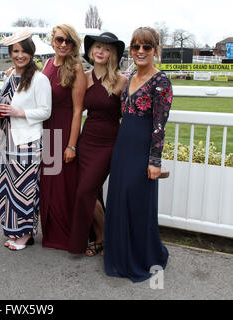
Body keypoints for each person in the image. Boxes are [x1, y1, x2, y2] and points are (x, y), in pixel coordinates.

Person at [104, 27, 172, 282]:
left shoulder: (161, 81)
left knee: (138, 202)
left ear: (155, 50)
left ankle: (143, 256)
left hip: (143, 147)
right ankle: (120, 255)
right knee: (120, 198)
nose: (141, 51)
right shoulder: (128, 76)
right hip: (123, 144)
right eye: (136, 47)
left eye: (146, 47)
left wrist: (155, 161)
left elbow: (159, 125)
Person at [68, 32, 127, 256]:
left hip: (109, 143)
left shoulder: (122, 81)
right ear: (91, 52)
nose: (100, 51)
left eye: (106, 48)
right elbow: (74, 108)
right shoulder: (84, 77)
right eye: (97, 47)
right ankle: (99, 237)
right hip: (87, 141)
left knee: (86, 191)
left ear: (113, 54)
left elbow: (130, 115)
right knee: (91, 193)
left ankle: (103, 238)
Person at [0, 29, 52, 251]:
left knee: (25, 189)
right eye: (15, 51)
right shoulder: (11, 76)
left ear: (31, 53)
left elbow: (45, 111)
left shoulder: (39, 79)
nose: (19, 55)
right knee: (9, 188)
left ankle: (26, 234)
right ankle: (13, 230)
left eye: (24, 51)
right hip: (8, 139)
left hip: (28, 142)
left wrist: (17, 112)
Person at [39, 24, 85, 251]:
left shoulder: (76, 68)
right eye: (60, 39)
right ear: (52, 41)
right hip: (47, 131)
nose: (64, 44)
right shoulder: (47, 64)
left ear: (74, 45)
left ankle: (66, 237)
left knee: (63, 186)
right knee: (48, 183)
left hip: (64, 130)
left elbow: (78, 110)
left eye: (69, 41)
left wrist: (72, 146)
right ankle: (50, 234)